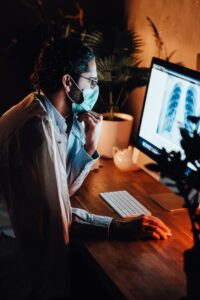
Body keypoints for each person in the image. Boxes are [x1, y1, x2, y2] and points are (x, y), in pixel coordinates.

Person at [0, 37, 171, 299]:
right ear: (68, 82)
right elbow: (58, 216)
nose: (95, 89)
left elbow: (60, 188)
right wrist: (117, 226)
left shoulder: (42, 110)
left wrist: (90, 145)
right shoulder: (35, 129)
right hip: (16, 256)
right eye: (91, 82)